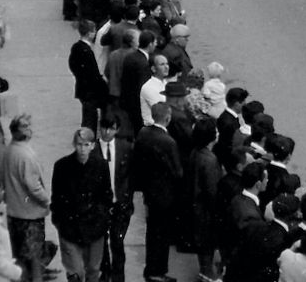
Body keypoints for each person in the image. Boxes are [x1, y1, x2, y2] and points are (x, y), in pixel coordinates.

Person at [51, 128, 113, 282]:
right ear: (74, 144)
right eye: (79, 144)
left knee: (93, 269)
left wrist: (103, 217)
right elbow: (57, 198)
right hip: (70, 227)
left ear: (92, 146)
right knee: (76, 272)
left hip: (95, 227)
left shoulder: (101, 166)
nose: (82, 149)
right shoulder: (62, 166)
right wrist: (60, 222)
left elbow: (106, 195)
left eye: (86, 145)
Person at [131, 102, 183, 282]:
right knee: (162, 234)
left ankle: (152, 268)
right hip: (165, 195)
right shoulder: (168, 142)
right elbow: (177, 172)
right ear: (167, 118)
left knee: (153, 232)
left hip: (149, 191)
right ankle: (157, 271)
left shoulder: (143, 133)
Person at [0, 114, 50, 282]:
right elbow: (33, 186)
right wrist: (46, 200)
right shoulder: (25, 155)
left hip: (14, 212)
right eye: (27, 126)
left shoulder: (9, 150)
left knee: (20, 258)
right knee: (35, 259)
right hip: (29, 215)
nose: (31, 128)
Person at [91, 116, 134, 282]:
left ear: (117, 129)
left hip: (120, 204)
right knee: (101, 243)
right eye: (104, 128)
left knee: (118, 242)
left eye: (111, 128)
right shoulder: (93, 149)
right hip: (100, 205)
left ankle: (118, 277)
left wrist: (127, 197)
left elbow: (131, 174)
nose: (106, 132)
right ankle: (105, 274)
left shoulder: (125, 148)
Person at [186, 117, 223, 282]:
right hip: (205, 209)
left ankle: (205, 271)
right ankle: (207, 274)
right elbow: (212, 190)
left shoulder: (196, 152)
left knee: (203, 243)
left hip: (196, 204)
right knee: (207, 243)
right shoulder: (210, 160)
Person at [68, 19, 109, 135]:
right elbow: (94, 74)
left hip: (82, 87)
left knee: (87, 115)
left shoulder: (76, 47)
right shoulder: (87, 51)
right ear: (90, 33)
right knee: (90, 118)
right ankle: (88, 137)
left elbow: (72, 64)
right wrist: (103, 83)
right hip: (90, 91)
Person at [140, 53, 169, 126]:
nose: (166, 67)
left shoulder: (166, 84)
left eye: (167, 64)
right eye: (162, 64)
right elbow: (161, 109)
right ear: (153, 69)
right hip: (152, 128)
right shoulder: (148, 87)